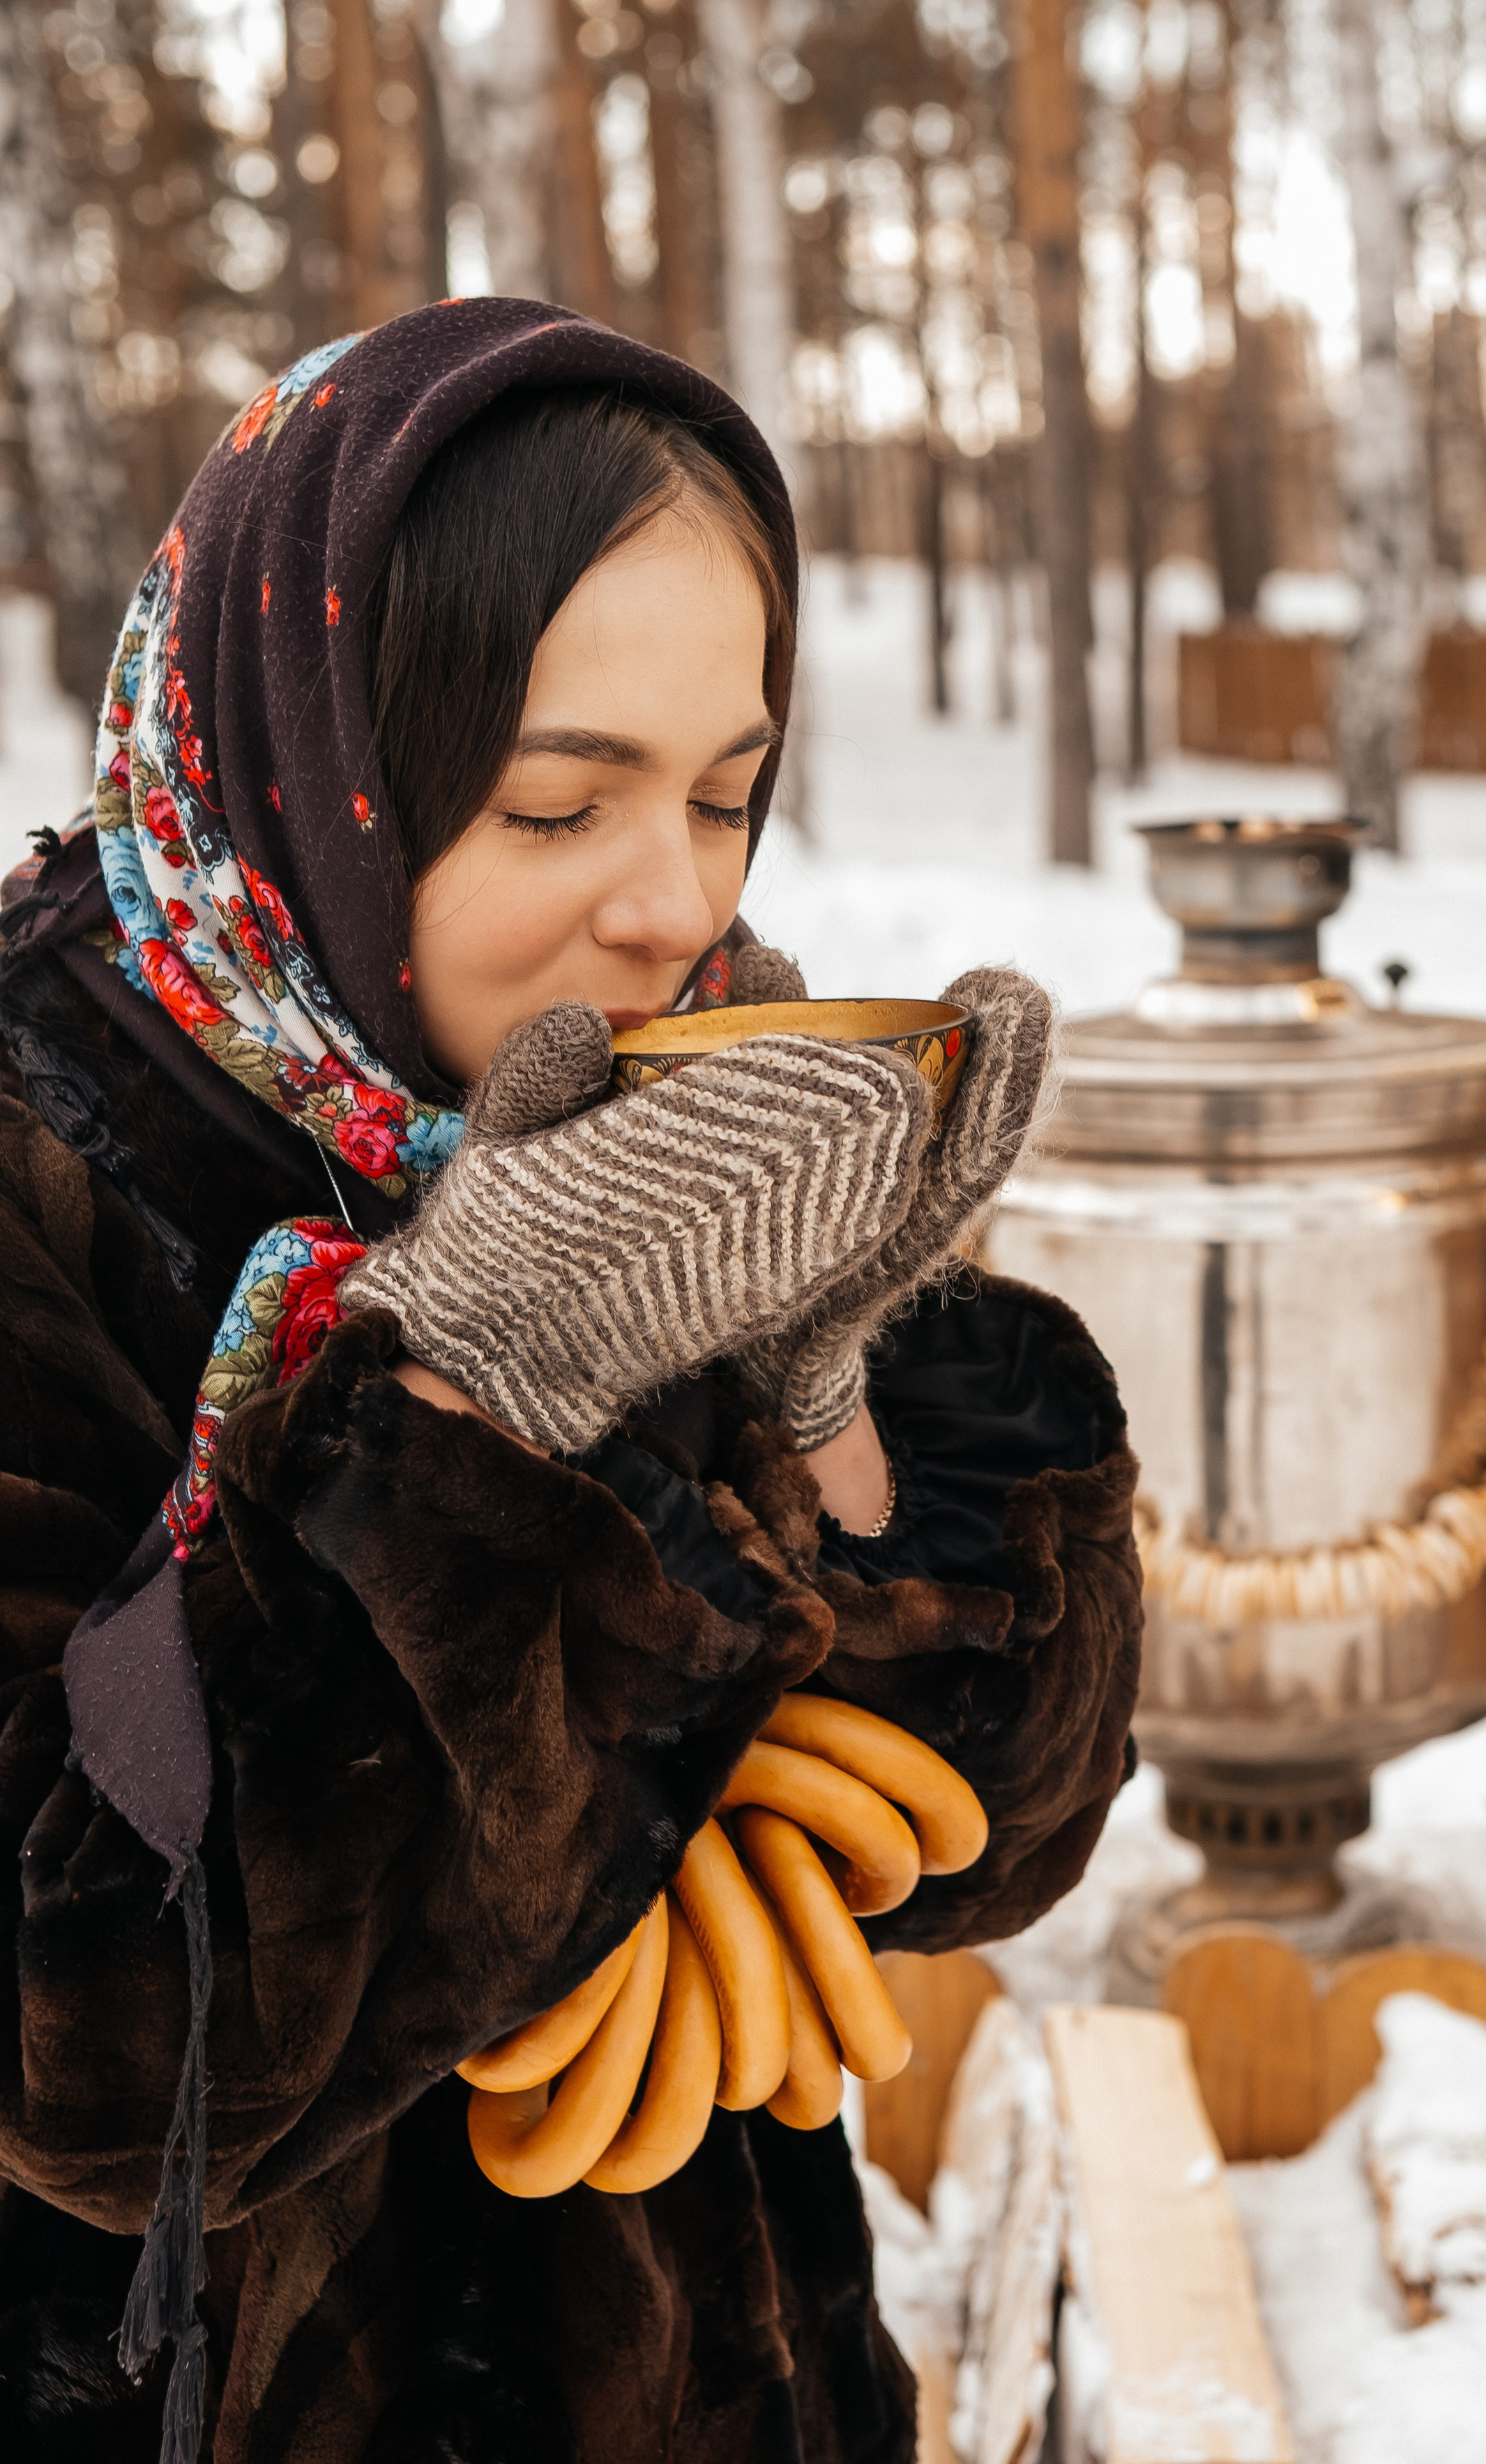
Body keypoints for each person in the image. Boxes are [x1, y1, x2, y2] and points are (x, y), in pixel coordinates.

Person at [0, 296, 1142, 2464]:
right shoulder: (41, 1169)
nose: (672, 902)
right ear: (305, 755)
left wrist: (840, 1373)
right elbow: (102, 2073)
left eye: (726, 795)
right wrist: (485, 1404)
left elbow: (996, 1839)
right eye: (554, 807)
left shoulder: (672, 1114)